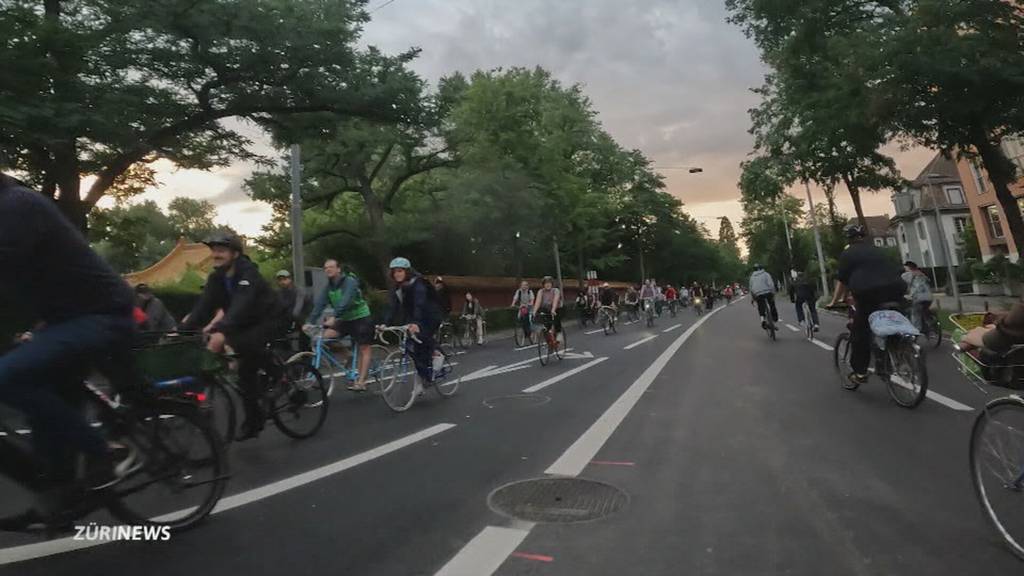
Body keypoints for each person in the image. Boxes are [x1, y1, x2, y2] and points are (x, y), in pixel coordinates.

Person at [0, 173, 140, 531]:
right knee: (42, 399)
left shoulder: (18, 205)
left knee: (7, 378)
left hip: (100, 314)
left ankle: (103, 450)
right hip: (67, 320)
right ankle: (59, 498)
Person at [181, 233, 289, 440]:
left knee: (244, 344)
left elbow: (242, 304)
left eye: (221, 250)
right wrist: (180, 330)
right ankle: (254, 421)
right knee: (245, 374)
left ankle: (280, 376)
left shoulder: (248, 274)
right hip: (245, 323)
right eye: (214, 250)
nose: (216, 254)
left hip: (271, 318)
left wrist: (221, 330)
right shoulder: (216, 278)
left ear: (235, 254)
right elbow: (202, 309)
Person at [827, 224, 907, 386]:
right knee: (896, 317)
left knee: (860, 332)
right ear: (864, 236)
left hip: (869, 293)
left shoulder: (848, 254)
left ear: (849, 238)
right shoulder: (879, 250)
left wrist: (834, 301)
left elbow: (842, 281)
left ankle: (860, 373)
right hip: (896, 289)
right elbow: (899, 269)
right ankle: (902, 345)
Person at [303, 259, 375, 391]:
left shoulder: (349, 282)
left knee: (364, 348)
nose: (328, 270)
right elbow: (319, 304)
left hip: (361, 318)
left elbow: (345, 301)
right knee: (324, 339)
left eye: (331, 267)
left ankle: (361, 381)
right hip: (344, 319)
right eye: (325, 268)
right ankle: (347, 354)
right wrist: (310, 322)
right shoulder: (329, 287)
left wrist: (334, 316)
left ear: (338, 269)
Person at [383, 258, 444, 393]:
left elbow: (419, 304)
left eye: (400, 271)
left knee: (421, 337)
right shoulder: (397, 287)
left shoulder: (418, 283)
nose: (397, 274)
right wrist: (384, 323)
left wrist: (415, 323)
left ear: (407, 271)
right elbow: (392, 307)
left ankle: (436, 353)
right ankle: (422, 380)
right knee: (413, 348)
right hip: (413, 316)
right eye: (394, 272)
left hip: (430, 315)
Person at [903, 261, 934, 331]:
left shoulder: (908, 274)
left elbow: (902, 284)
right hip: (929, 297)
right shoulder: (922, 274)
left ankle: (915, 333)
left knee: (915, 314)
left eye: (905, 268)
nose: (905, 270)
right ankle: (928, 323)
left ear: (909, 268)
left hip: (918, 297)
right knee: (923, 310)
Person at [532, 276, 563, 343]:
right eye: (546, 283)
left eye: (549, 283)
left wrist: (553, 310)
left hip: (556, 308)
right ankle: (548, 338)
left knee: (556, 319)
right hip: (545, 308)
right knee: (545, 324)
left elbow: (555, 300)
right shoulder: (541, 291)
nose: (547, 285)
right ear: (543, 285)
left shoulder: (556, 290)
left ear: (552, 284)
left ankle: (559, 333)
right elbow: (538, 301)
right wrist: (534, 311)